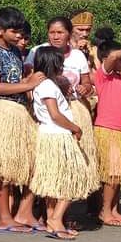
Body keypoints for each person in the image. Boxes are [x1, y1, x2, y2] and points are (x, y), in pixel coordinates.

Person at [0, 7, 44, 233]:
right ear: (0, 30)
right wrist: (27, 84)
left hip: (19, 111)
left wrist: (29, 80)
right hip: (1, 112)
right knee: (3, 166)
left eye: (19, 31)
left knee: (30, 163)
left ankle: (24, 211)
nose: (17, 36)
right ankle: (4, 217)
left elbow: (15, 79)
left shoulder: (15, 51)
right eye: (13, 31)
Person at [27, 17, 100, 196]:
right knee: (51, 165)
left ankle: (70, 210)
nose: (56, 36)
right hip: (47, 113)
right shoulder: (37, 51)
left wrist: (86, 88)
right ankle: (49, 213)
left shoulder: (77, 55)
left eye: (60, 32)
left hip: (75, 109)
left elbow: (87, 83)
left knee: (74, 162)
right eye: (52, 32)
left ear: (69, 34)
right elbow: (29, 81)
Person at [28, 46, 94, 241]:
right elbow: (55, 115)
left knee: (55, 181)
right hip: (57, 135)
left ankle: (52, 221)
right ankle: (56, 219)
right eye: (60, 63)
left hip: (51, 135)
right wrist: (75, 128)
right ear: (54, 64)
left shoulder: (45, 85)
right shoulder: (48, 86)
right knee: (69, 179)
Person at [92, 39, 121, 226]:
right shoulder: (103, 75)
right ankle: (105, 211)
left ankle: (115, 209)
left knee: (118, 175)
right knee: (112, 174)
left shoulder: (120, 79)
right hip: (108, 130)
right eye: (120, 57)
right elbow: (111, 58)